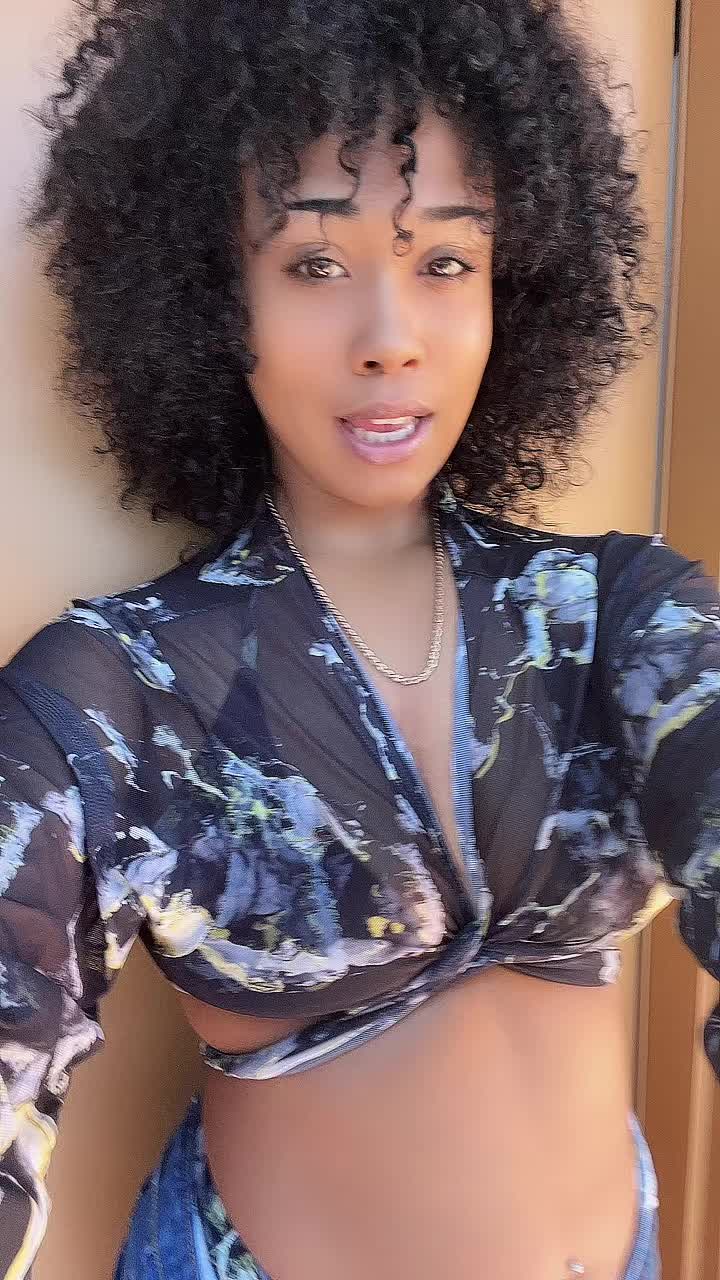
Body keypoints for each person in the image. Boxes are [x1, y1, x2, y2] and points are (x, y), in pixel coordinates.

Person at [2, 1, 718, 1277]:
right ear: (215, 298)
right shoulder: (122, 689)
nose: (390, 337)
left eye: (444, 259)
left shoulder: (616, 616)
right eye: (315, 265)